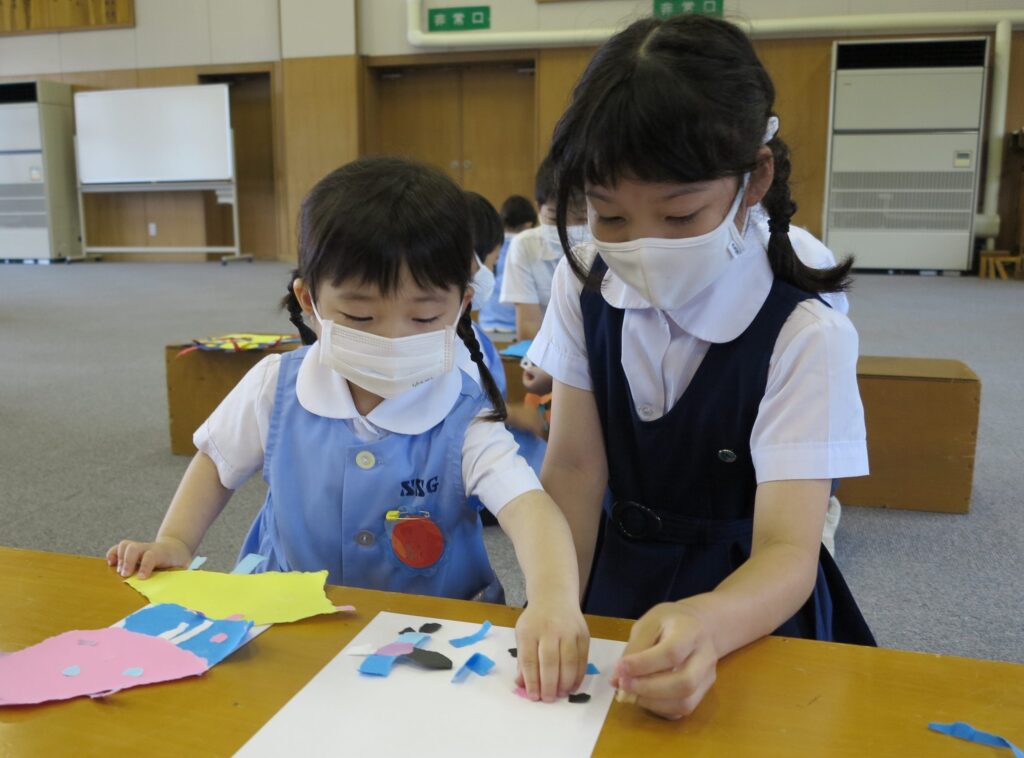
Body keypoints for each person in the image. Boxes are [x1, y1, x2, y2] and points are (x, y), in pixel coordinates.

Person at [108, 157, 588, 702]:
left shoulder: (464, 414)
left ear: (462, 306)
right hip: (291, 617)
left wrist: (551, 598)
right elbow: (216, 464)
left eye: (424, 318)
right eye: (361, 318)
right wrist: (175, 539)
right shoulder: (277, 385)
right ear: (309, 300)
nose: (391, 337)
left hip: (436, 637)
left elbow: (529, 507)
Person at [529, 15, 875, 720]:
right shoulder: (584, 282)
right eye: (611, 218)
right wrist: (553, 594)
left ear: (755, 179)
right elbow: (571, 469)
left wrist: (710, 625)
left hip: (747, 606)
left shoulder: (805, 330)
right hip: (612, 578)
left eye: (681, 217)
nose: (644, 246)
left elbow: (788, 548)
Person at [500, 158, 590, 341]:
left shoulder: (609, 245)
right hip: (547, 354)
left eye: (581, 220)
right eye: (555, 220)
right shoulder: (525, 246)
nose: (567, 230)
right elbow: (528, 327)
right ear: (538, 209)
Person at [479, 195, 537, 336]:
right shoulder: (527, 248)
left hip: (485, 324)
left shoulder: (491, 243)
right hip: (514, 327)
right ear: (528, 225)